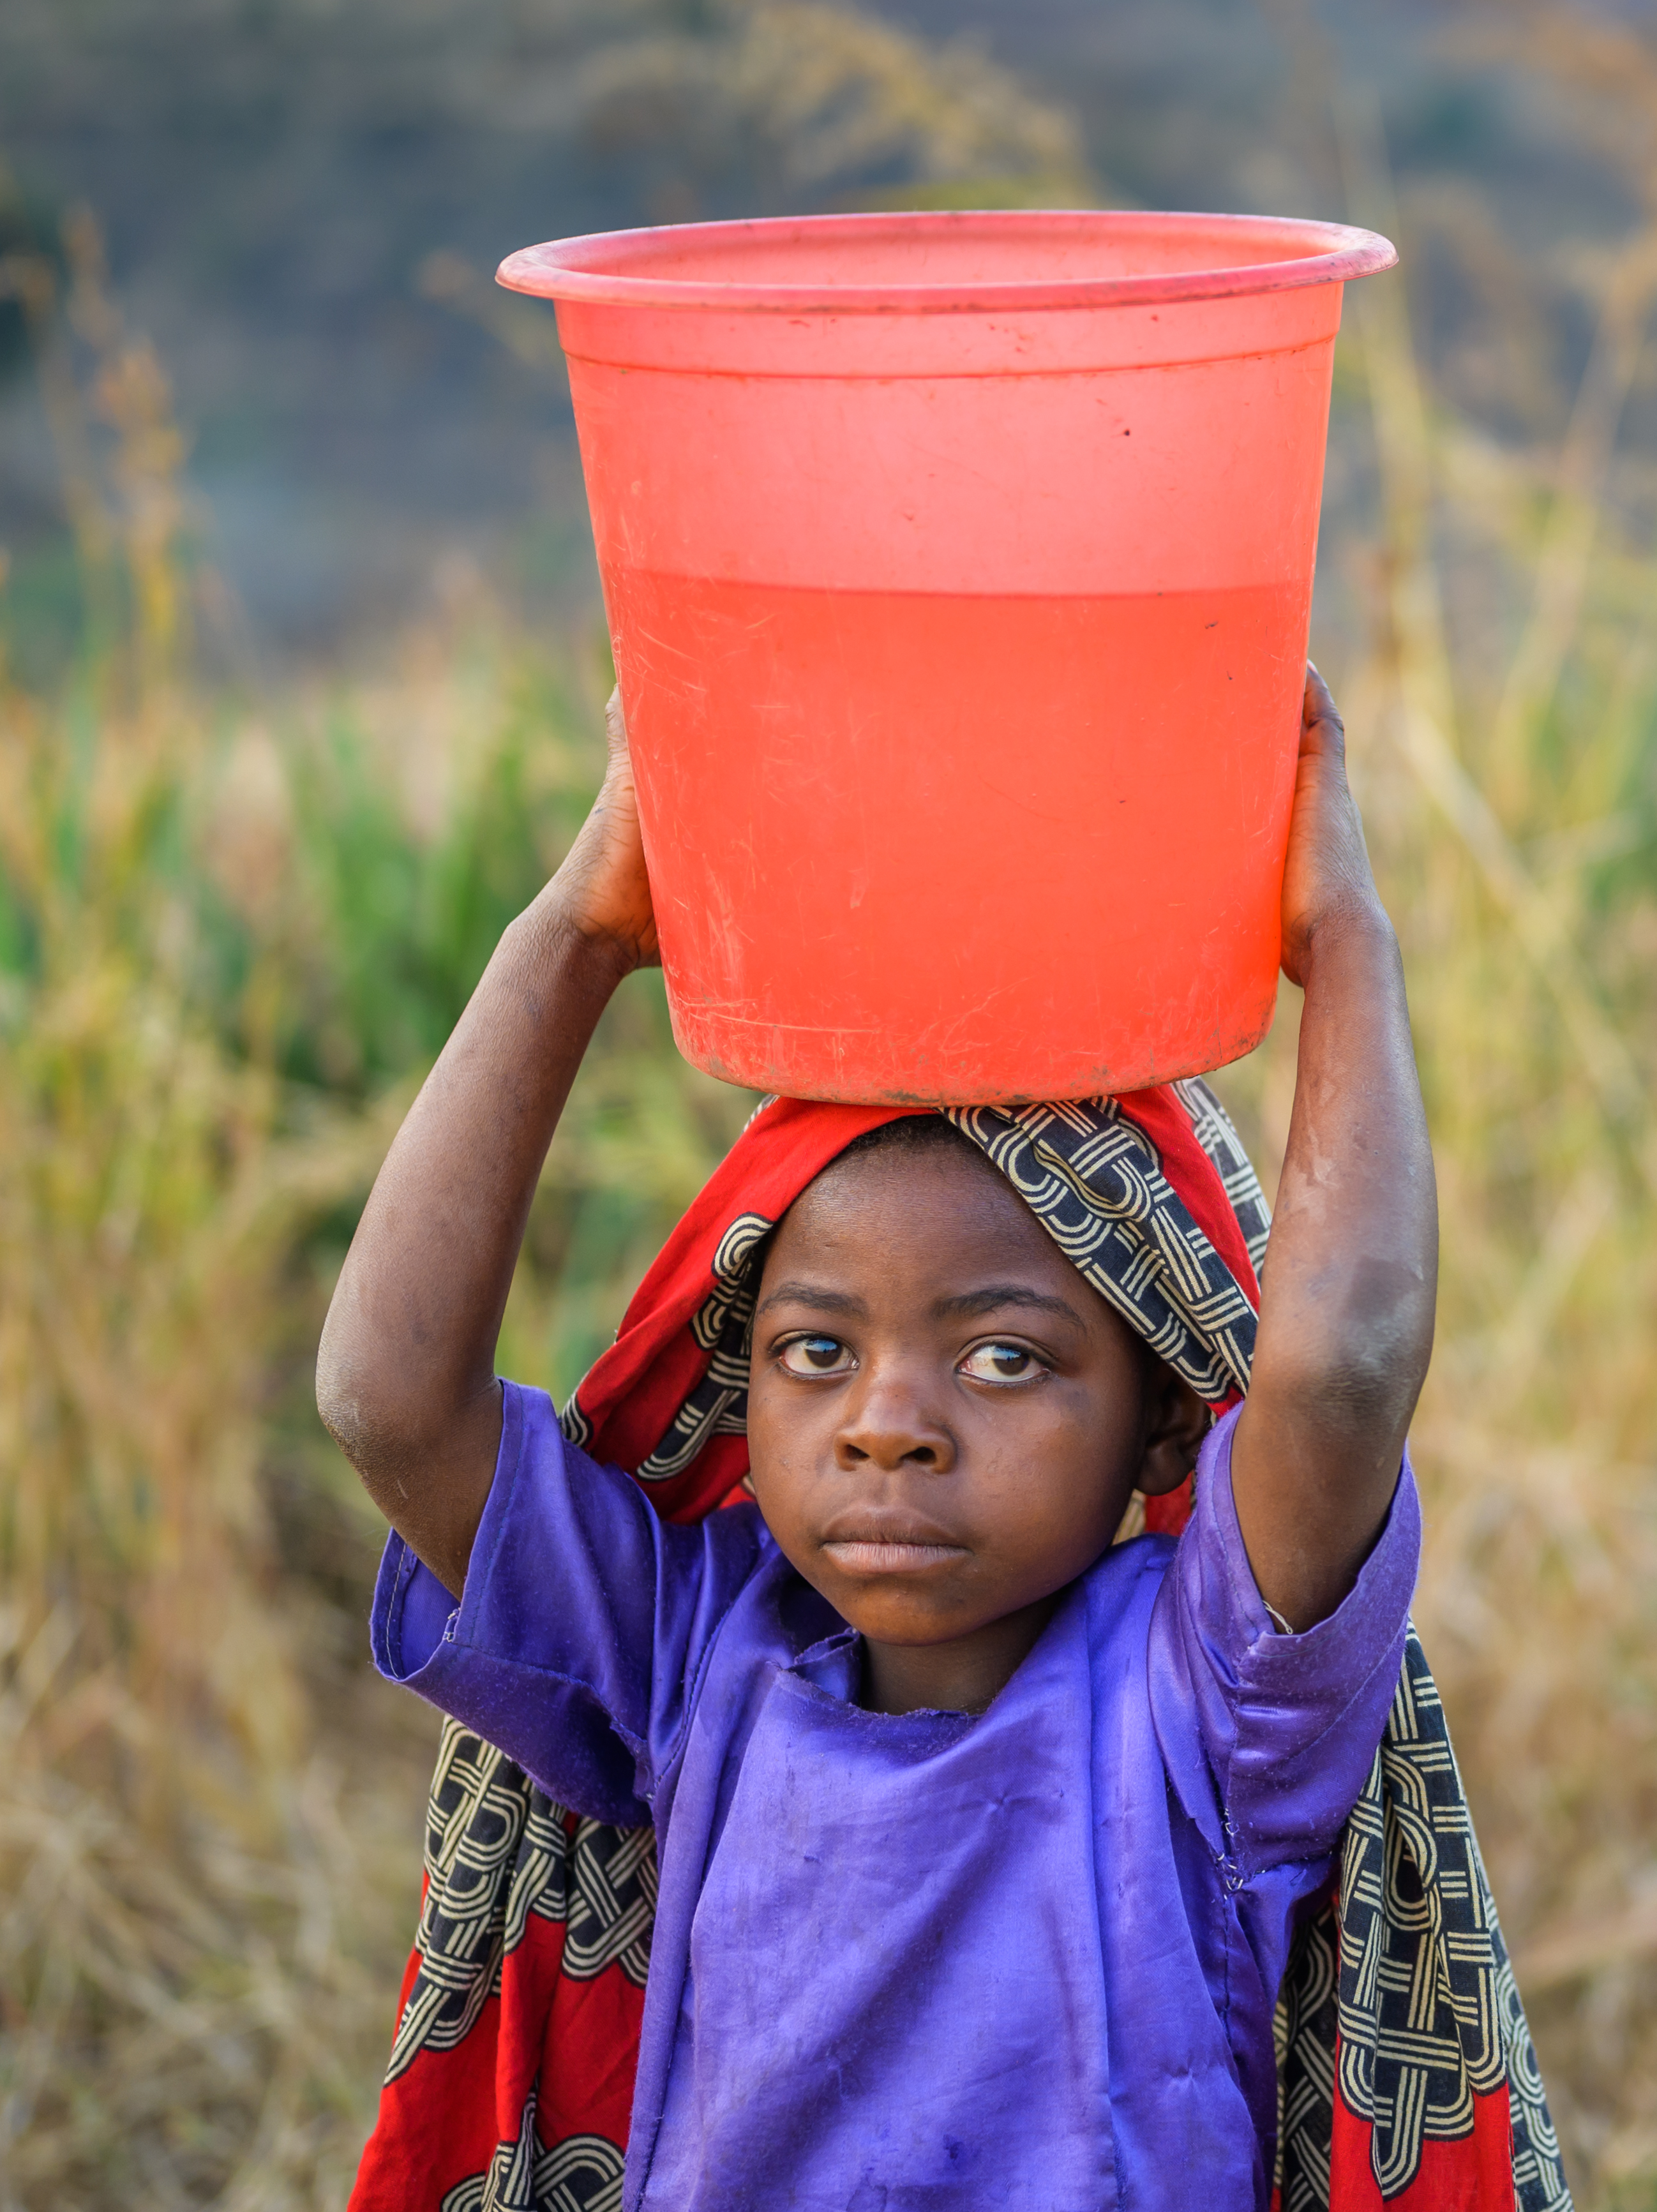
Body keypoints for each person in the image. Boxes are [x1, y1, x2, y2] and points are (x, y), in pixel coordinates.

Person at [315, 671, 1564, 2211]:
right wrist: (578, 930)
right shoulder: (691, 1659)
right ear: (737, 1389)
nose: (888, 1427)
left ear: (1166, 1412)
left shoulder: (1208, 1708)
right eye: (815, 1352)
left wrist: (1342, 942)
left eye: (1002, 1356)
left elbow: (1343, 1367)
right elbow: (388, 1396)